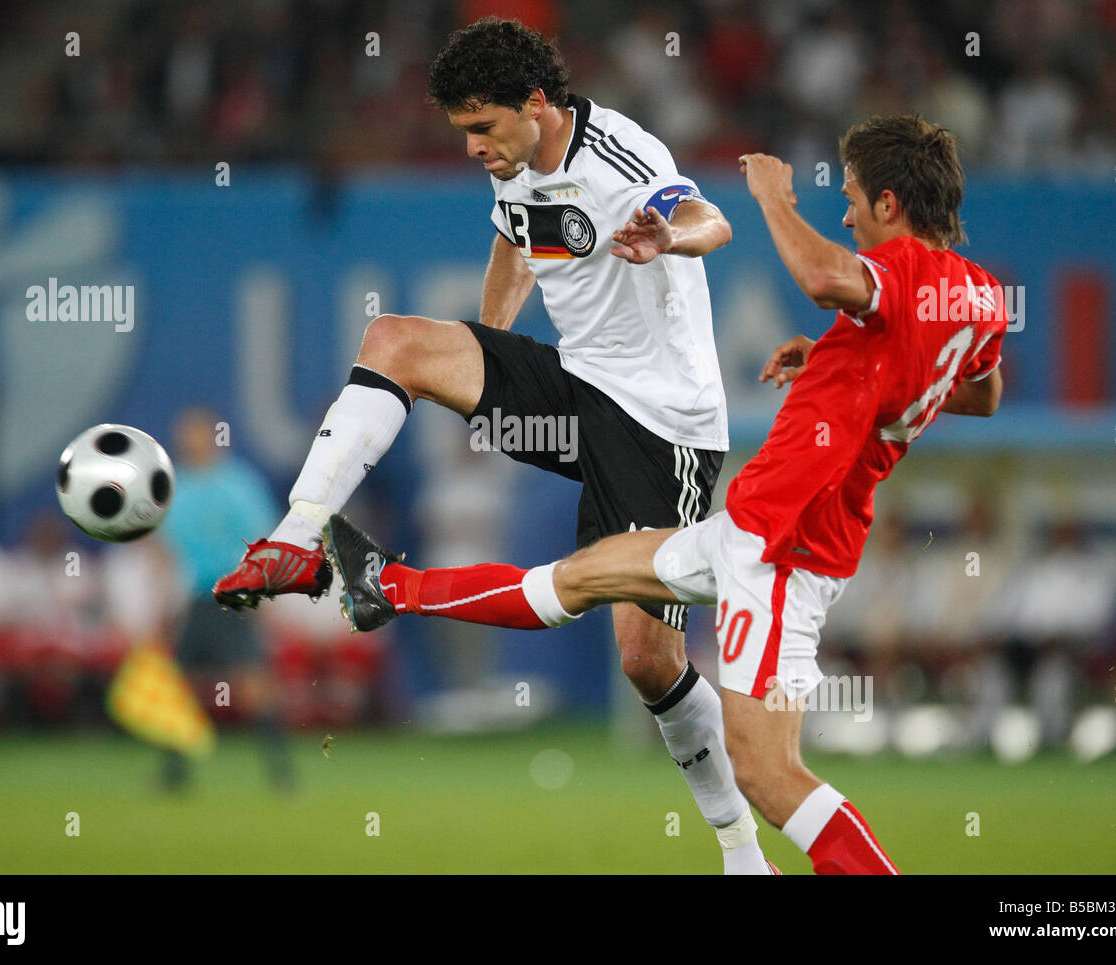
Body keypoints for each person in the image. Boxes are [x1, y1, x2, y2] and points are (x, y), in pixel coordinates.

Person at [325, 114, 1008, 875]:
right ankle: (385, 585)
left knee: (769, 774)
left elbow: (821, 277)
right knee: (584, 575)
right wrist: (843, 359)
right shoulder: (976, 297)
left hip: (786, 547)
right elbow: (979, 393)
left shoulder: (906, 271)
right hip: (751, 530)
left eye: (849, 199)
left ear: (888, 202)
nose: (843, 215)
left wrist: (772, 197)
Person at [213, 17, 770, 873]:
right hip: (574, 393)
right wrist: (490, 350)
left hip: (664, 429)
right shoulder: (516, 169)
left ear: (537, 105)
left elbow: (708, 218)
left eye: (482, 128)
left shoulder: (620, 157)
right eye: (464, 131)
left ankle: (740, 850)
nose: (474, 147)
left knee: (646, 661)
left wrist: (669, 235)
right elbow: (517, 236)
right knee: (397, 340)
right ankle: (295, 535)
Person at [163, 407, 294, 790]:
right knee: (177, 685)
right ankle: (174, 771)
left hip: (233, 597)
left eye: (197, 430)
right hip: (193, 599)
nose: (189, 438)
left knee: (252, 685)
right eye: (185, 431)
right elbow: (164, 549)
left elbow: (262, 542)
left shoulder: (239, 485)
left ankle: (279, 767)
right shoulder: (176, 488)